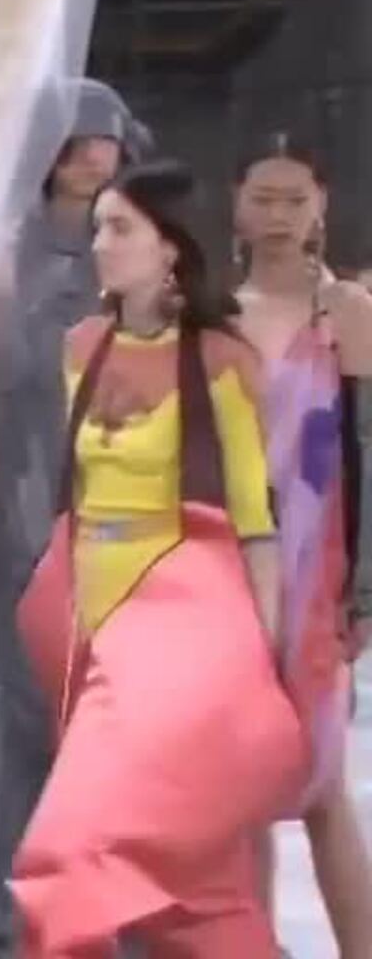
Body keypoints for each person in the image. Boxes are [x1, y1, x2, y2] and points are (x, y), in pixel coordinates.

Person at [9, 160, 305, 955]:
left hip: (182, 629)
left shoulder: (221, 358)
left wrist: (265, 657)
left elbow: (254, 518)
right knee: (186, 882)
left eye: (119, 228)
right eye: (97, 227)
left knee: (71, 853)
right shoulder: (82, 346)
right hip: (87, 622)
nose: (100, 244)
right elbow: (71, 491)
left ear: (169, 247)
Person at [0, 78, 150, 876]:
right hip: (22, 474)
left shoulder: (141, 245)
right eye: (75, 141)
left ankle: (108, 866)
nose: (91, 157)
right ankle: (30, 870)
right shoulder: (4, 247)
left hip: (120, 476)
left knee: (112, 678)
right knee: (24, 678)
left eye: (104, 140)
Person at [228, 136, 372, 959]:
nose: (278, 215)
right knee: (242, 779)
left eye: (294, 199)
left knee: (322, 782)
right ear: (236, 207)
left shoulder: (347, 310)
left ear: (322, 208)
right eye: (263, 198)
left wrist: (365, 588)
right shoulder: (213, 313)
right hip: (233, 567)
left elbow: (367, 448)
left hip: (322, 568)